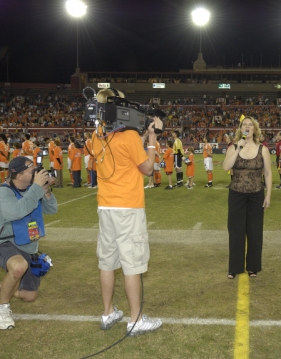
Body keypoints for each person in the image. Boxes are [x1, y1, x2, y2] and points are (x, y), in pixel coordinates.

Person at [91, 88, 162, 336]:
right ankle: (136, 319)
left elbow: (119, 152)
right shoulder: (130, 137)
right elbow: (148, 168)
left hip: (105, 205)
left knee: (107, 262)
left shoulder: (96, 135)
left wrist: (141, 137)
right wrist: (151, 141)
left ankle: (108, 312)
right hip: (128, 206)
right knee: (132, 264)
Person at [0, 156, 57, 330]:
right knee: (18, 266)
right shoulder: (4, 192)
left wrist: (46, 190)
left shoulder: (33, 189)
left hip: (29, 245)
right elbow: (15, 212)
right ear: (18, 175)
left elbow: (52, 209)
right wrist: (37, 189)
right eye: (30, 170)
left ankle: (4, 287)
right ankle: (3, 310)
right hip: (6, 242)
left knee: (29, 295)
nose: (35, 172)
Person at [223, 116, 272, 279]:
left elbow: (268, 173)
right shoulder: (233, 147)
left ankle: (253, 267)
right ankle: (234, 267)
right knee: (236, 231)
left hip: (256, 195)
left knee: (255, 232)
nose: (248, 127)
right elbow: (225, 167)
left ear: (255, 129)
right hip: (236, 194)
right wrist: (238, 148)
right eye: (245, 124)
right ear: (241, 128)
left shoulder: (262, 149)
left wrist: (268, 195)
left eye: (251, 125)